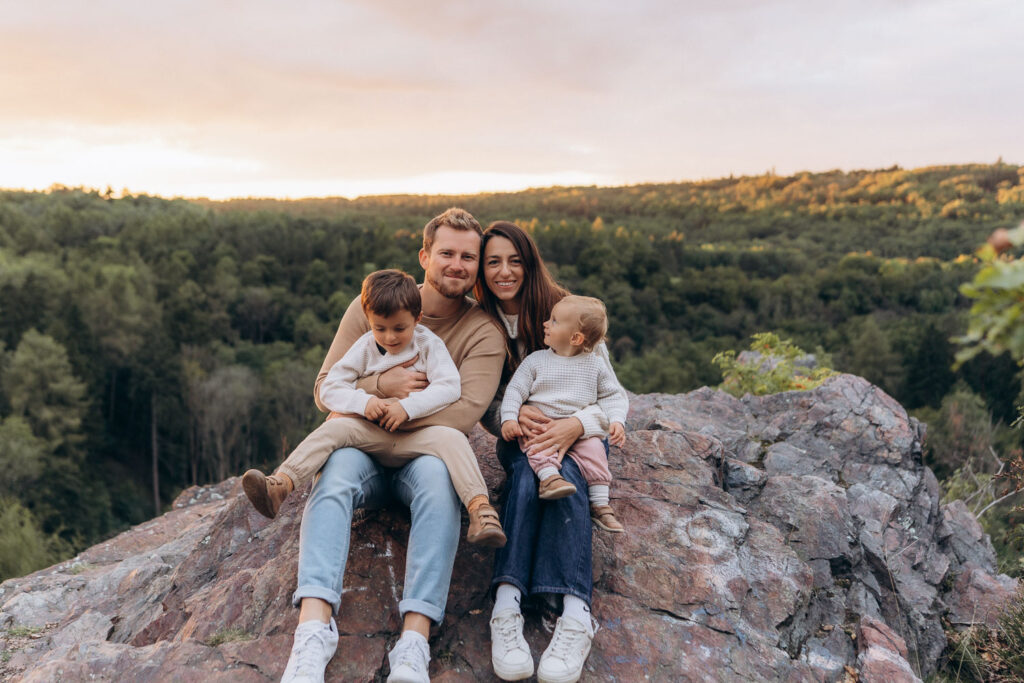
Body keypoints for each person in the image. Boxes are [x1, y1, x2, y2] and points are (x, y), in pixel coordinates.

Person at [280, 208, 506, 683]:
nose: (457, 265)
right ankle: (313, 632)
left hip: (420, 455)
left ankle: (414, 641)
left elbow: (463, 413)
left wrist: (381, 413)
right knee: (336, 470)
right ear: (425, 255)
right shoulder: (375, 304)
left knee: (438, 478)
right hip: (360, 452)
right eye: (446, 253)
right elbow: (325, 389)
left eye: (468, 256)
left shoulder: (483, 331)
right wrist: (382, 386)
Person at [241, 268, 506, 547]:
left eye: (399, 328)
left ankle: (480, 510)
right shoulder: (365, 346)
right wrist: (364, 401)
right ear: (369, 322)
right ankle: (280, 485)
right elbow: (330, 387)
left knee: (453, 439)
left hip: (417, 436)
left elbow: (450, 387)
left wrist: (408, 408)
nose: (389, 337)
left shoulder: (429, 344)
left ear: (417, 319)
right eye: (380, 328)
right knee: (333, 428)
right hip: (370, 432)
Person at [474, 221, 613, 683]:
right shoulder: (478, 320)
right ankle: (507, 605)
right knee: (527, 480)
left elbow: (606, 390)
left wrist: (577, 424)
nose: (504, 271)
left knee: (569, 481)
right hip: (523, 436)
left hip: (581, 431)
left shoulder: (569, 310)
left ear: (530, 263)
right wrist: (510, 419)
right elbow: (484, 402)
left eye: (515, 260)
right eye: (493, 261)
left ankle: (575, 614)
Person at [499, 295, 627, 534]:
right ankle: (549, 479)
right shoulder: (536, 361)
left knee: (596, 452)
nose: (546, 324)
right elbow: (515, 391)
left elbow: (612, 396)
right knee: (536, 444)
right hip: (542, 423)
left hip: (579, 428)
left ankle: (600, 504)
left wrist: (617, 420)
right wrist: (508, 418)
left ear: (575, 338)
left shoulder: (594, 364)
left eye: (554, 321)